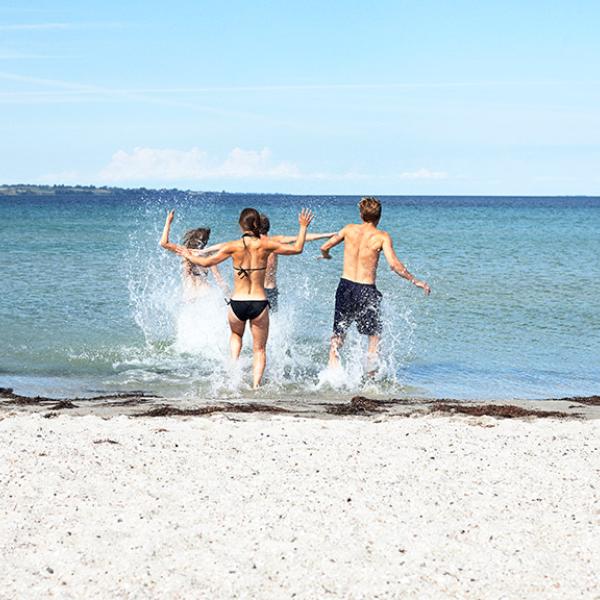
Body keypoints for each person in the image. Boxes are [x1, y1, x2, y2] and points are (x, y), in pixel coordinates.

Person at [172, 207, 314, 388]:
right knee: (259, 349)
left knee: (236, 336)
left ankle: (233, 375)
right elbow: (297, 248)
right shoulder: (266, 245)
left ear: (241, 225)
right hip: (259, 303)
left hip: (237, 303)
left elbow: (207, 262)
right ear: (257, 225)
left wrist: (187, 254)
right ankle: (256, 386)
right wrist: (302, 226)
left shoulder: (233, 246)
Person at [319, 196, 430, 374]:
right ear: (379, 217)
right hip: (366, 290)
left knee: (338, 335)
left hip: (345, 287)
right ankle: (369, 381)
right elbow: (394, 265)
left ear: (361, 214)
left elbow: (325, 246)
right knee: (374, 337)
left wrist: (326, 256)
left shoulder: (349, 229)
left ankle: (331, 376)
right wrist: (414, 280)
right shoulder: (382, 237)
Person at [258, 213, 336, 311]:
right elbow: (301, 238)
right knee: (269, 323)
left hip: (254, 291)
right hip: (270, 290)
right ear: (268, 227)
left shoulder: (249, 245)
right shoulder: (275, 241)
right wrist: (327, 235)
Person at [159, 213, 226, 301]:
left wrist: (168, 222)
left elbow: (163, 243)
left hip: (189, 295)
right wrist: (228, 294)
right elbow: (218, 277)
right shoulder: (208, 254)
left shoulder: (184, 251)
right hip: (206, 293)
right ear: (204, 242)